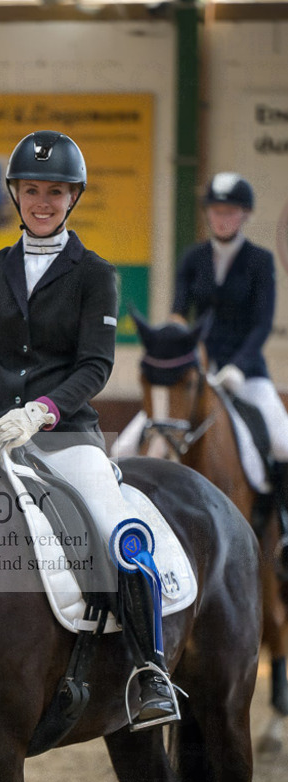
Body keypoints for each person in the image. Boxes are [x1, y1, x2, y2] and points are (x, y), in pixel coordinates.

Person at [0, 129, 179, 729]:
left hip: (65, 435)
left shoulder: (97, 274)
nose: (42, 201)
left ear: (73, 198)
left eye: (55, 191)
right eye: (32, 189)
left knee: (117, 532)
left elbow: (95, 365)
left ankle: (149, 672)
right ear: (16, 195)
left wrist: (40, 412)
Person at [169, 172, 288, 562]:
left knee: (283, 442)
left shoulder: (259, 261)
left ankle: (284, 531)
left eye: (231, 211)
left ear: (244, 215)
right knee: (128, 441)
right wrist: (178, 342)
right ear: (208, 215)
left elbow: (262, 322)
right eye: (217, 211)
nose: (223, 219)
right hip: (198, 375)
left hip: (246, 372)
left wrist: (237, 365)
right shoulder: (192, 258)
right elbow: (177, 312)